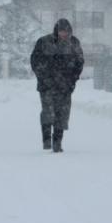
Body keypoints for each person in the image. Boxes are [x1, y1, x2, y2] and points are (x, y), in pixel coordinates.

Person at [30, 18, 84, 153]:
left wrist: (72, 81)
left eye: (66, 31)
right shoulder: (44, 42)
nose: (64, 34)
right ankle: (47, 139)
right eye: (61, 31)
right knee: (48, 112)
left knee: (62, 114)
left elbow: (79, 63)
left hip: (65, 86)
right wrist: (43, 78)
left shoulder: (74, 43)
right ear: (56, 30)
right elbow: (35, 61)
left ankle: (57, 142)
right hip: (46, 85)